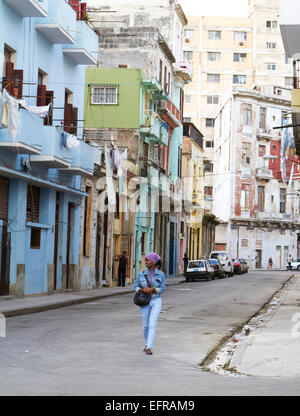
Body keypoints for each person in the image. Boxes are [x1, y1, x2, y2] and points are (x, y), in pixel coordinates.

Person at [134, 252, 165, 356]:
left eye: (148, 260)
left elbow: (162, 289)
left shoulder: (161, 274)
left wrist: (153, 289)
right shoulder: (141, 273)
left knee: (152, 324)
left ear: (154, 262)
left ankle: (149, 347)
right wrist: (142, 290)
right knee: (145, 326)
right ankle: (147, 343)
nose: (146, 262)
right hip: (144, 301)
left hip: (156, 300)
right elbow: (136, 287)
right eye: (145, 260)